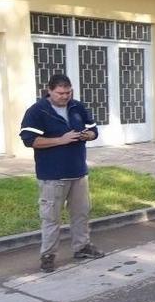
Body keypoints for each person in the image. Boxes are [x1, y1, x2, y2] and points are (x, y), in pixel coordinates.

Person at [19, 74, 105, 273]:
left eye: (68, 92)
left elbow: (94, 131)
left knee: (81, 213)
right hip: (52, 175)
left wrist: (86, 135)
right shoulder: (38, 111)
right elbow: (30, 140)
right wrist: (61, 140)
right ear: (49, 90)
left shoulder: (77, 107)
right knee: (51, 218)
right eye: (60, 93)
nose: (65, 96)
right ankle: (48, 255)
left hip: (78, 172)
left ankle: (82, 247)